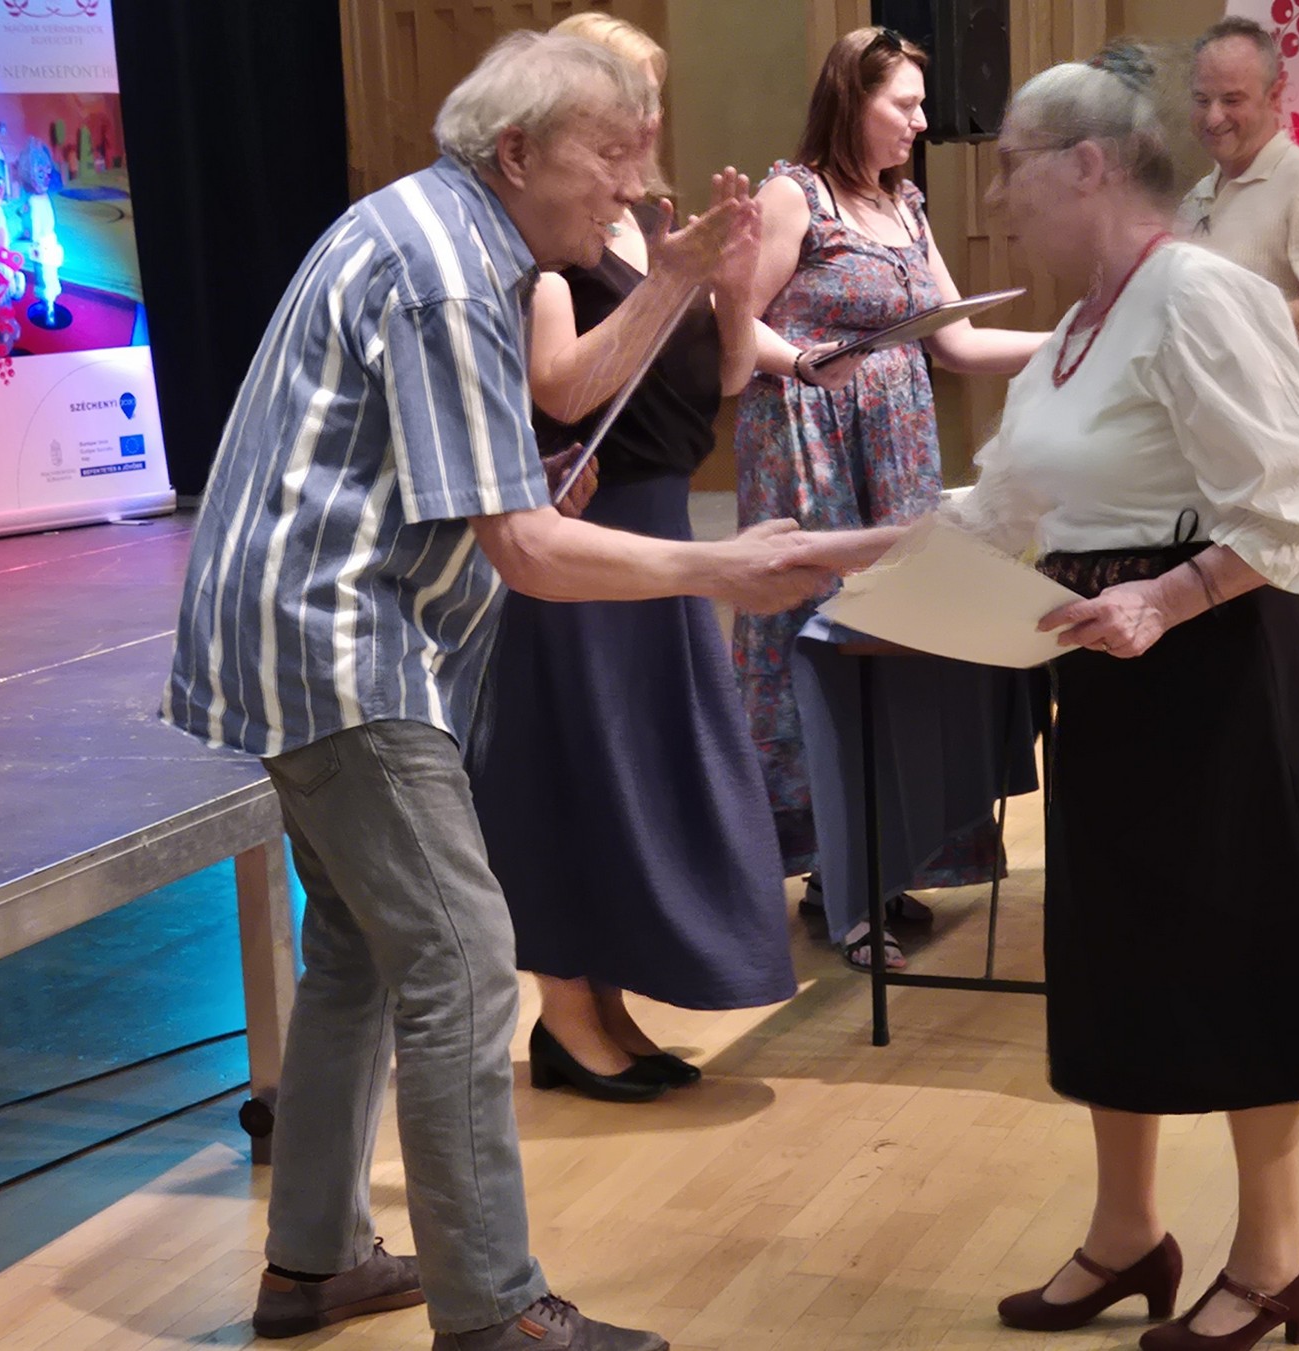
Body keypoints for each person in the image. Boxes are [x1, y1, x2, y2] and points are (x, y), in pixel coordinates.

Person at [161, 31, 827, 1351]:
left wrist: (675, 278)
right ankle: (494, 1311)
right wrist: (719, 565)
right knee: (465, 963)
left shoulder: (447, 231)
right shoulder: (447, 271)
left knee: (359, 951)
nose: (636, 185)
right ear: (516, 151)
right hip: (340, 648)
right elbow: (524, 548)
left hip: (311, 633)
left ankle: (313, 1262)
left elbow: (499, 440)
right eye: (613, 153)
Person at [783, 46, 1299, 1351]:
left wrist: (1168, 598)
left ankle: (1274, 1257)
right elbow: (1011, 504)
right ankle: (1127, 1231)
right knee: (1116, 948)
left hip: (1222, 659)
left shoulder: (1198, 293)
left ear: (1088, 165)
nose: (994, 195)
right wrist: (829, 557)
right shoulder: (1086, 323)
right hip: (1109, 663)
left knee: (1243, 949)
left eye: (1014, 166)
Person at [468, 11, 796, 1106]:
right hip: (583, 546)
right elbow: (562, 391)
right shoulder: (551, 255)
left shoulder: (651, 233)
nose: (645, 124)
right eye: (622, 102)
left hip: (659, 529)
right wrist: (672, 281)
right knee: (577, 776)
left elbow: (729, 379)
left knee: (640, 780)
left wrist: (732, 285)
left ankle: (606, 1007)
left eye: (648, 98)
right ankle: (567, 1016)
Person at [734, 25, 1048, 970]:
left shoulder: (904, 205)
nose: (919, 121)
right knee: (823, 645)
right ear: (851, 99)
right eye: (903, 104)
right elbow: (729, 322)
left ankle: (873, 862)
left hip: (896, 446)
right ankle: (834, 877)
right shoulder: (794, 195)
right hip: (812, 447)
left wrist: (1076, 338)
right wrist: (804, 362)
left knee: (897, 641)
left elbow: (955, 344)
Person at [1175, 18, 1299, 390]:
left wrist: (1230, 315)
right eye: (1201, 100)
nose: (1213, 117)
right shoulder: (1196, 196)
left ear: (1274, 96)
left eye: (1232, 100)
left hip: (1287, 425)